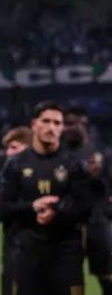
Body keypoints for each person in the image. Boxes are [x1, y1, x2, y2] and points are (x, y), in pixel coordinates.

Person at [0, 101, 93, 295]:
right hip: (27, 256)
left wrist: (57, 210)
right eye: (46, 121)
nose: (51, 127)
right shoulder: (15, 165)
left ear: (62, 128)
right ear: (34, 125)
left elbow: (87, 208)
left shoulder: (74, 164)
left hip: (67, 256)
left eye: (57, 123)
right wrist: (33, 207)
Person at [64, 106, 112, 294]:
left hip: (98, 223)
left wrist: (96, 177)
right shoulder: (60, 154)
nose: (69, 128)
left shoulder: (102, 153)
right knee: (71, 278)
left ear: (84, 124)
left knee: (106, 275)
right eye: (66, 124)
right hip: (68, 227)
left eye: (73, 123)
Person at [0, 125, 33, 295]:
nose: (8, 153)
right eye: (8, 148)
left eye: (14, 147)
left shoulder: (46, 171)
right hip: (13, 249)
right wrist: (32, 206)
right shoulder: (3, 178)